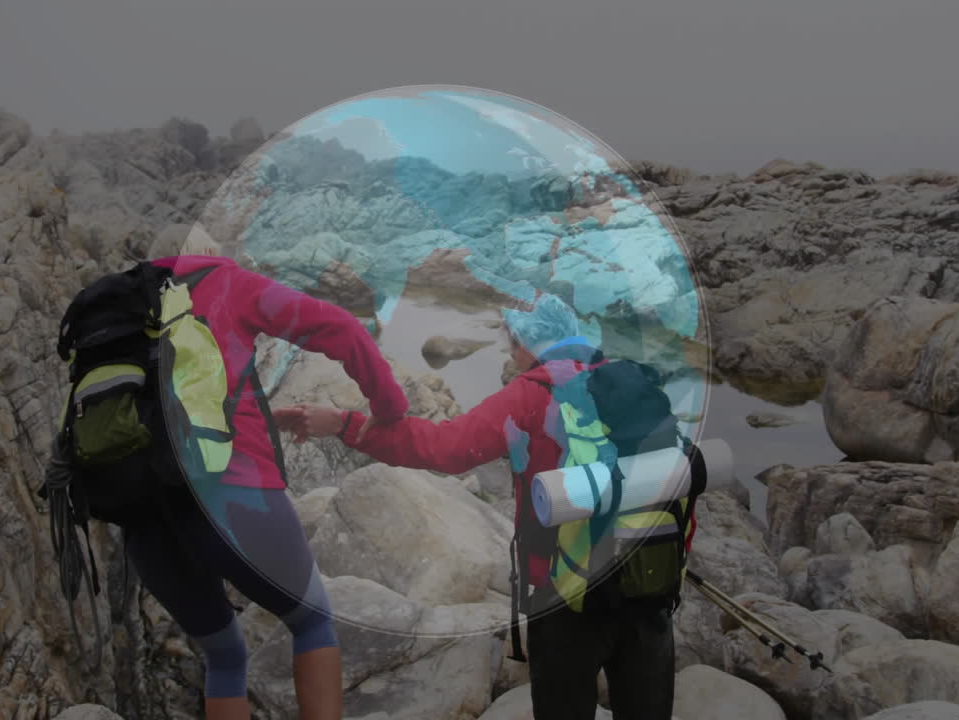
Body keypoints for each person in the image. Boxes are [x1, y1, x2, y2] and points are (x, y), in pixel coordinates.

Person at [275, 293, 683, 720]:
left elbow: (446, 449)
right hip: (648, 580)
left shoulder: (533, 393)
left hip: (565, 591)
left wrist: (345, 424)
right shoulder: (632, 381)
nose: (510, 352)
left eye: (510, 341)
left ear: (525, 343)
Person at [124, 253, 408, 720]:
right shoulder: (226, 281)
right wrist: (390, 406)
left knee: (224, 656)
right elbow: (343, 328)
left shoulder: (124, 301)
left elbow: (162, 411)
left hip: (141, 514)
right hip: (230, 495)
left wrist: (264, 417)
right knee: (312, 620)